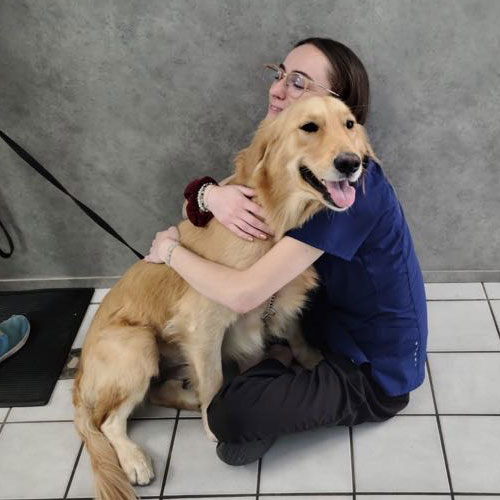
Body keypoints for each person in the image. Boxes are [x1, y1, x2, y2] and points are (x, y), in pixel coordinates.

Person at [144, 37, 427, 465]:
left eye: (298, 82)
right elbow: (215, 198)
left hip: (373, 371)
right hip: (321, 324)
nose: (277, 89)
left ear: (338, 107)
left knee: (229, 419)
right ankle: (275, 365)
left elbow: (244, 294)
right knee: (245, 340)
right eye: (279, 75)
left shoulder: (345, 190)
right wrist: (210, 196)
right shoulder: (295, 159)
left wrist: (169, 251)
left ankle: (270, 373)